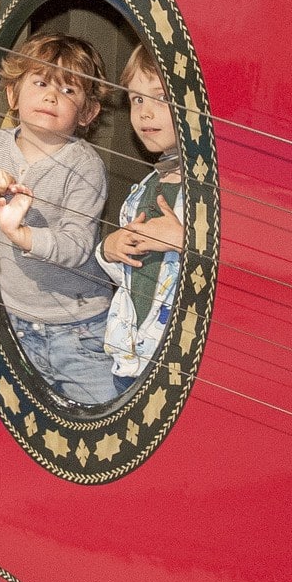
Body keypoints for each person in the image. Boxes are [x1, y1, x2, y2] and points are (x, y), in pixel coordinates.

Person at [0, 33, 117, 404]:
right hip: (14, 323)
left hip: (81, 331)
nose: (51, 96)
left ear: (88, 113)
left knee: (100, 423)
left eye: (69, 90)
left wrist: (22, 234)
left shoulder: (86, 165)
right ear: (13, 95)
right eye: (40, 82)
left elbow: (77, 246)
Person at [100, 46, 187, 391]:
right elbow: (130, 271)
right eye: (137, 100)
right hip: (128, 355)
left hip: (174, 360)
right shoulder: (145, 187)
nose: (145, 113)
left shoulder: (209, 190)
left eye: (160, 98)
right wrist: (109, 248)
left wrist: (185, 240)